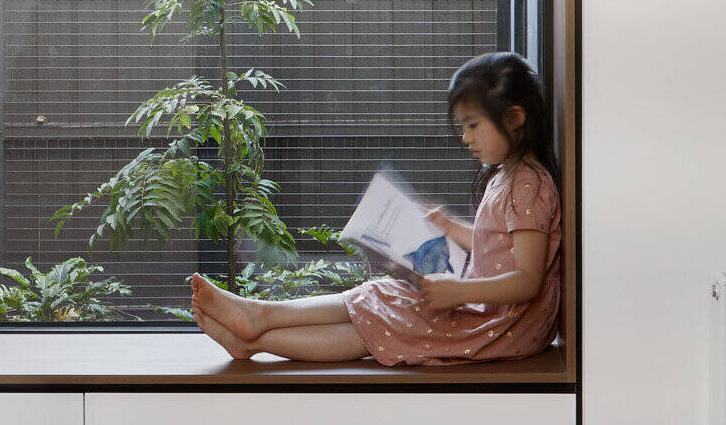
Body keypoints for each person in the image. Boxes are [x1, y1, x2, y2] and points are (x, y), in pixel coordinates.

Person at [189, 51, 562, 367]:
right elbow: (496, 243)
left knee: (385, 321)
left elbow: (527, 281)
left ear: (514, 119)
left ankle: (255, 339)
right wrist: (449, 227)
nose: (466, 138)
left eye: (473, 126)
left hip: (504, 323)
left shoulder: (528, 186)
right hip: (491, 309)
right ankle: (259, 315)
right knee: (382, 295)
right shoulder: (509, 176)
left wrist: (459, 293)